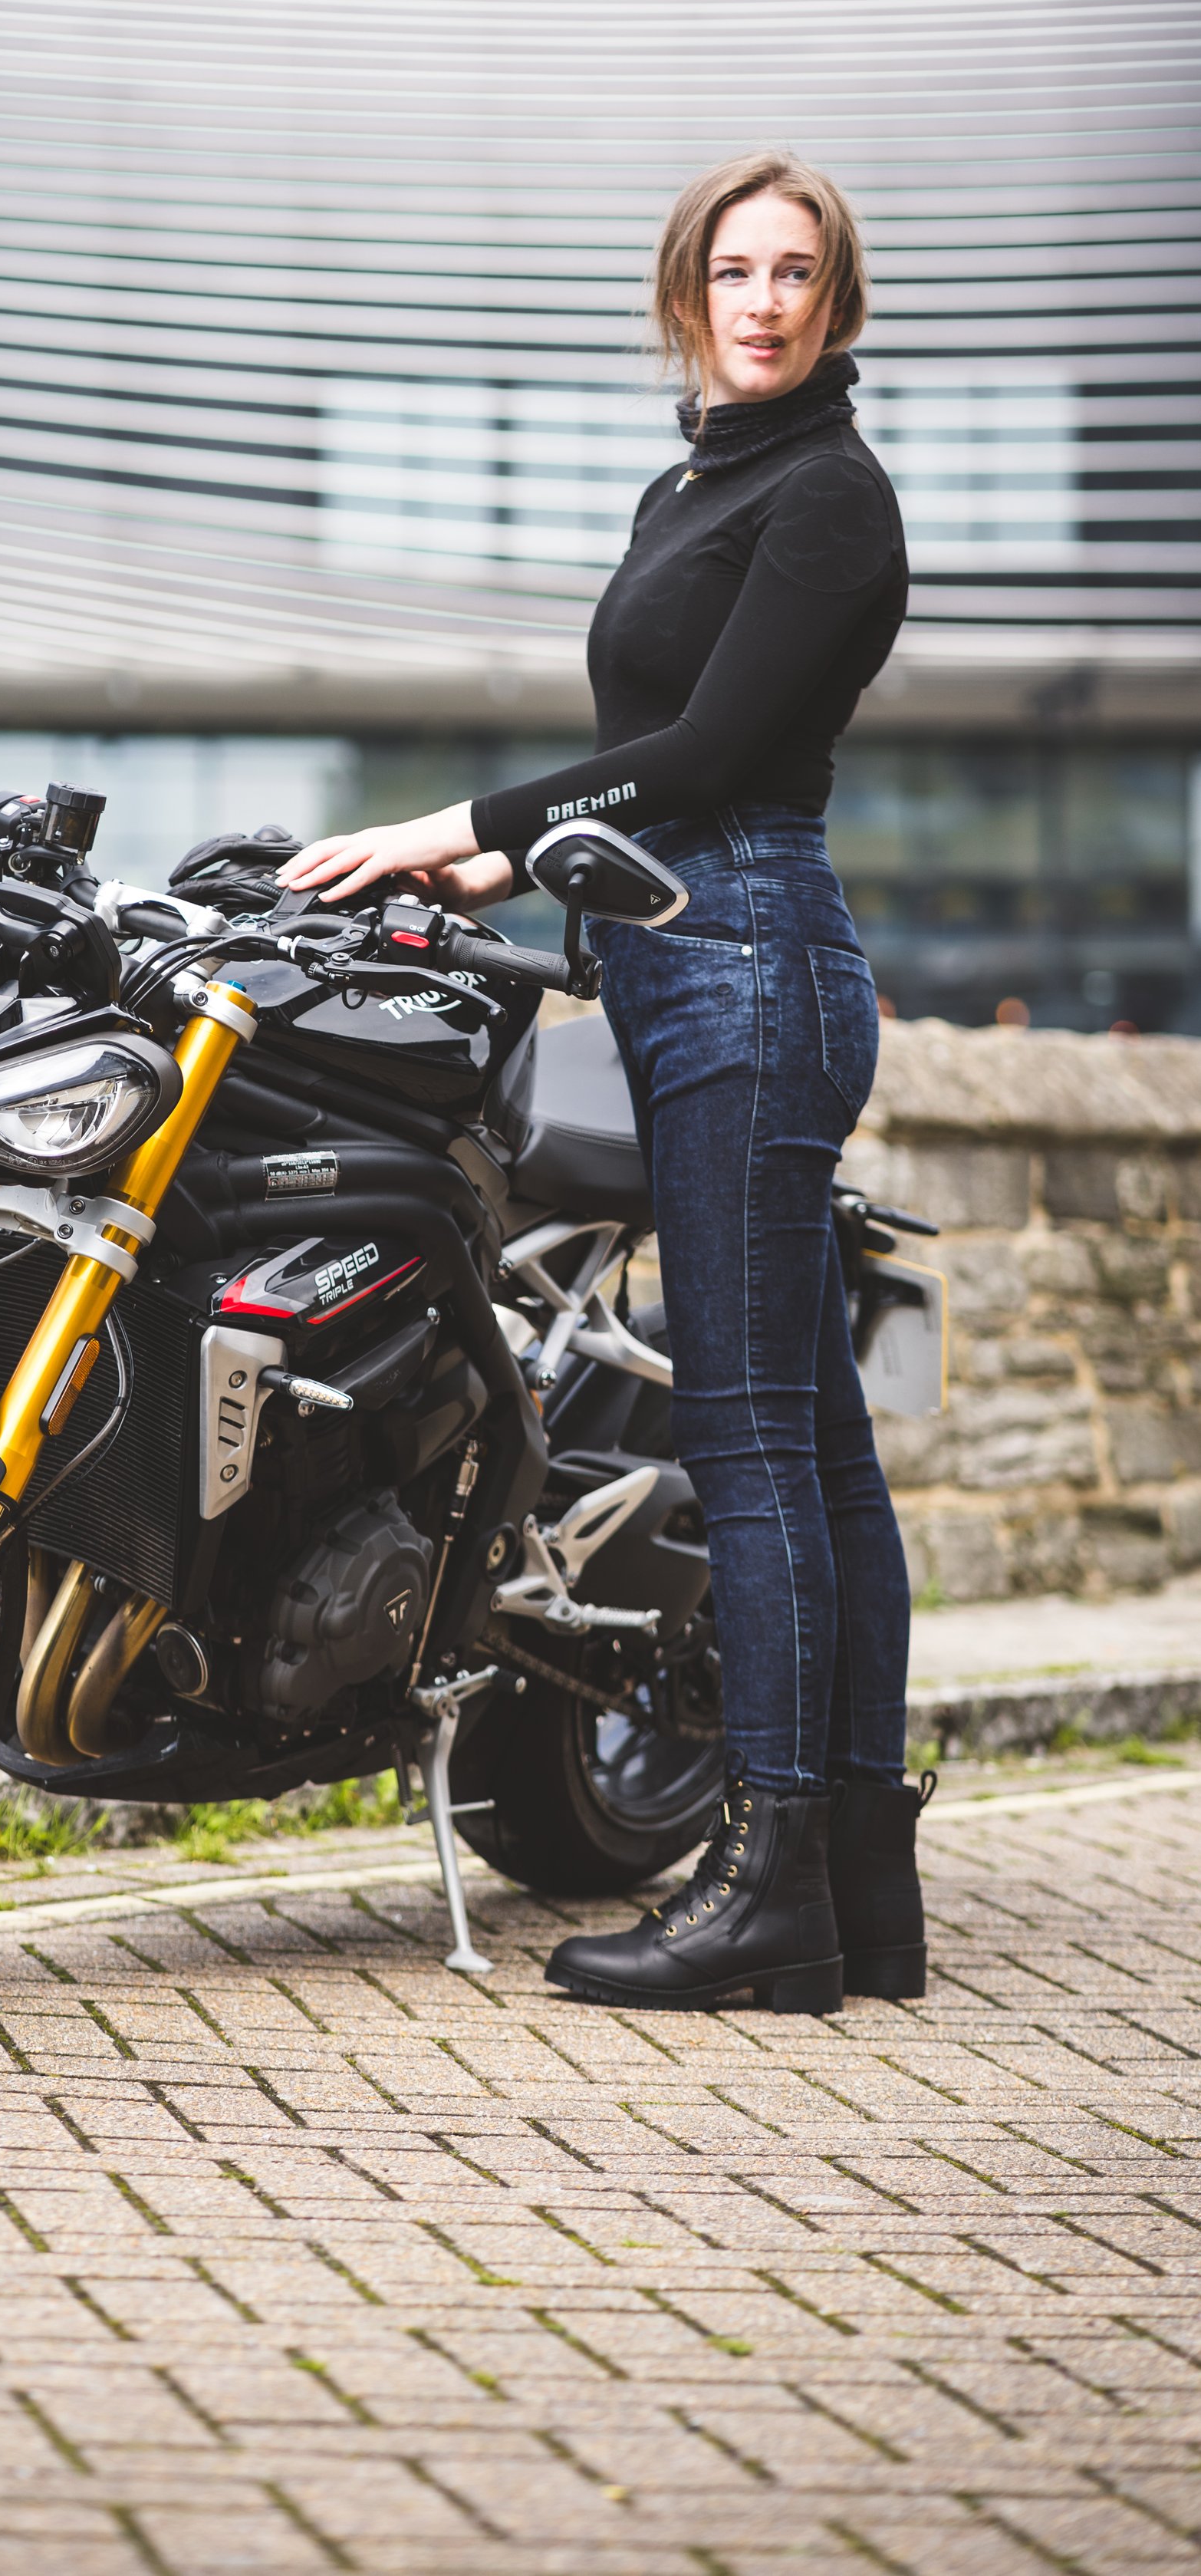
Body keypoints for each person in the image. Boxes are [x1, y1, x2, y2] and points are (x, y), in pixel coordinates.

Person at [280, 150, 930, 2014]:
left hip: (745, 966)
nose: (761, 297)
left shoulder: (827, 496)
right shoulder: (697, 483)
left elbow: (723, 745)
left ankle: (776, 1882)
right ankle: (858, 1902)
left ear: (835, 302)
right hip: (680, 948)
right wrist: (494, 866)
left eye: (795, 271)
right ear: (685, 289)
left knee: (747, 1448)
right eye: (731, 267)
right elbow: (663, 753)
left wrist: (456, 813)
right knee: (813, 1443)